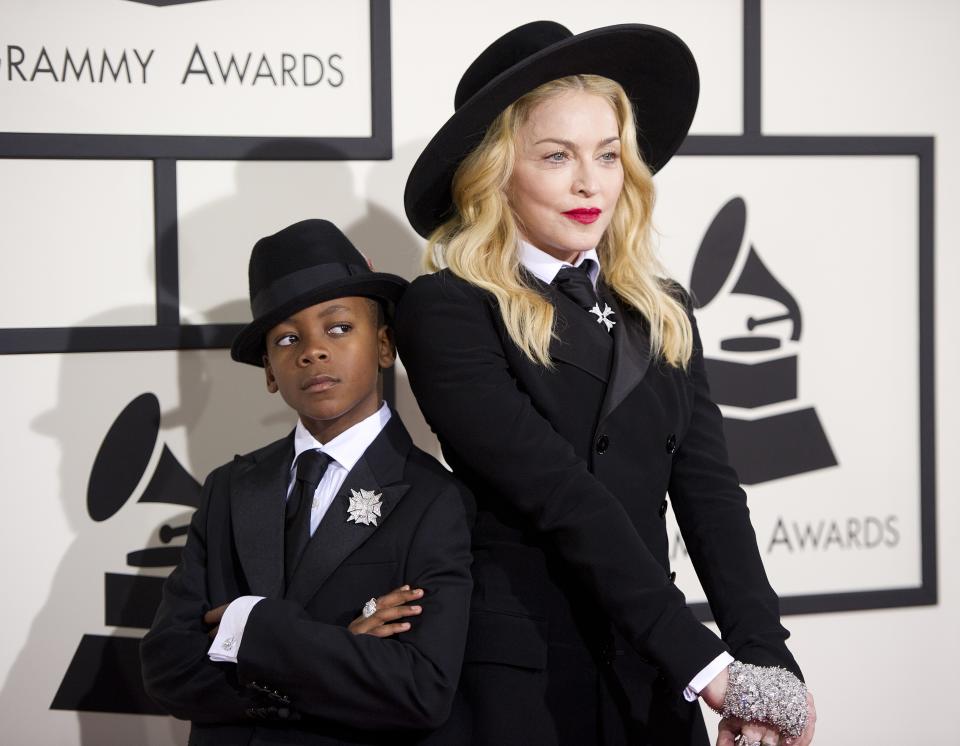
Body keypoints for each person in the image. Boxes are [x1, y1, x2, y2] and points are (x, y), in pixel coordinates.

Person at [396, 21, 816, 746]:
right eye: (556, 156)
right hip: (525, 675)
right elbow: (561, 494)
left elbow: (709, 490)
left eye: (608, 156)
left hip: (650, 668)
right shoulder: (447, 307)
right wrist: (706, 665)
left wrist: (764, 664)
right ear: (496, 171)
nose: (591, 182)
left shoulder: (662, 305)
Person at [140, 219, 473, 745]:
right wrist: (339, 647)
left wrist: (255, 628)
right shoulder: (229, 489)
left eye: (338, 328)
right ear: (270, 371)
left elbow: (419, 688)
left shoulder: (438, 498)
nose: (313, 350)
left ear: (385, 345)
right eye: (288, 338)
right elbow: (167, 668)